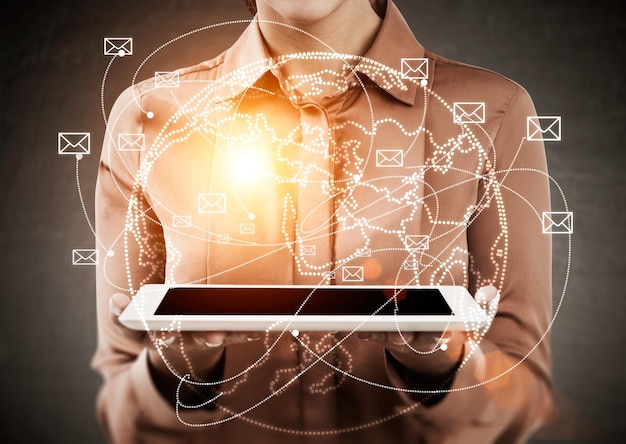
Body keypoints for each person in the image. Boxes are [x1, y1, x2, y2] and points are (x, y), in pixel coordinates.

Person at [93, 0, 554, 442]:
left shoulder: (493, 112)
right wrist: (181, 366)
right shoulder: (146, 120)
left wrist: (440, 366)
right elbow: (125, 418)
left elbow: (521, 401)